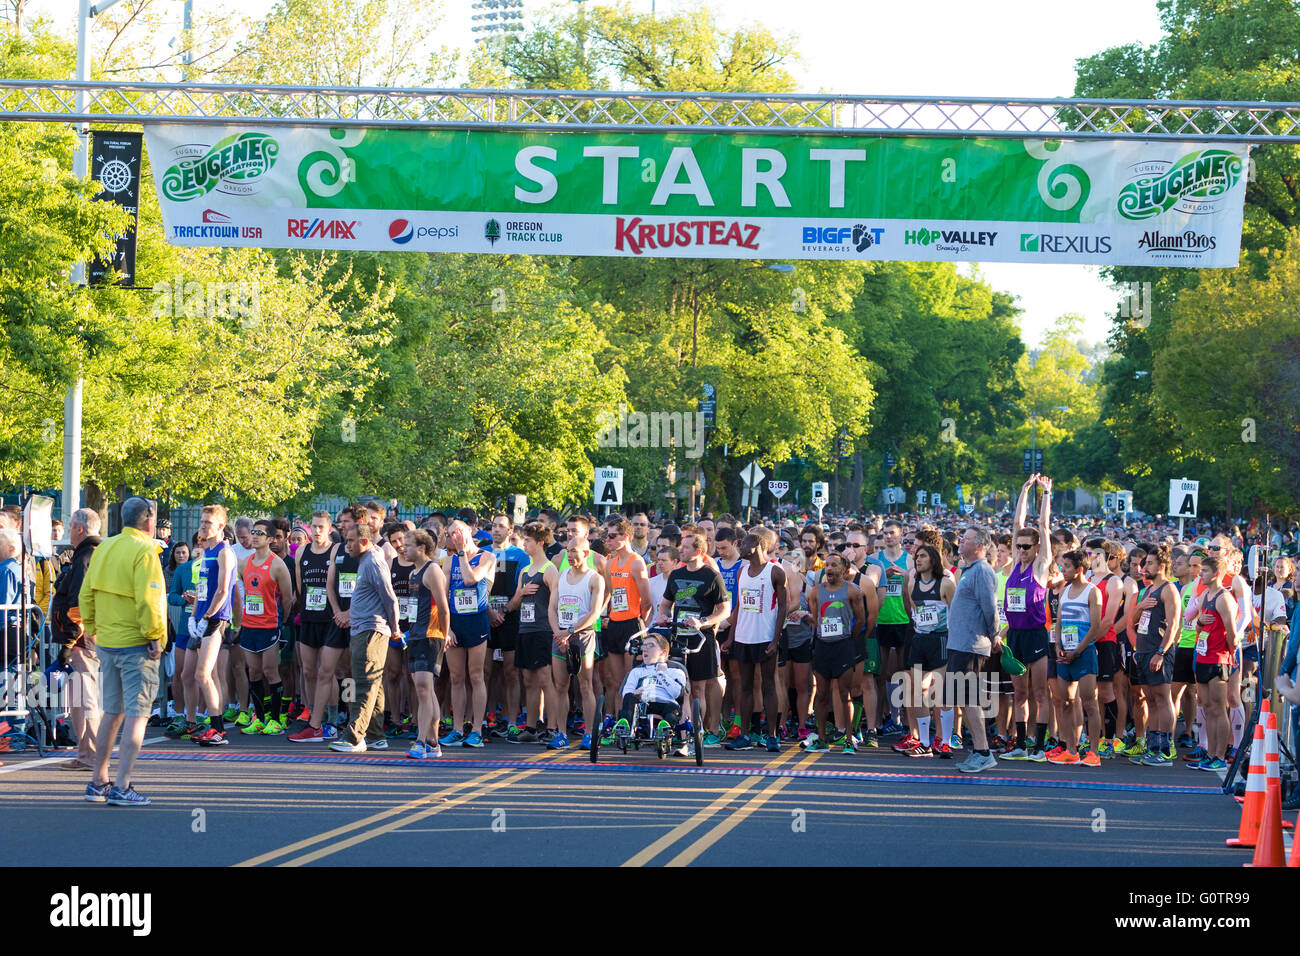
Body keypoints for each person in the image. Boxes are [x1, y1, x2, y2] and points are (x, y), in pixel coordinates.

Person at [79, 497, 166, 807]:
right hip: (136, 642)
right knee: (137, 714)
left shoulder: (105, 547)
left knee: (111, 712)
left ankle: (98, 780)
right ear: (148, 521)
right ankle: (122, 784)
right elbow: (149, 599)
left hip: (108, 640)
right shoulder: (145, 550)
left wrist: (91, 625)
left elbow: (85, 592)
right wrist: (154, 635)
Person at [328, 520, 402, 753]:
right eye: (346, 540)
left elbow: (390, 598)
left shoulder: (372, 562)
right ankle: (376, 735)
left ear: (365, 542)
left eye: (350, 541)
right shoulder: (368, 559)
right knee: (374, 684)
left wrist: (395, 628)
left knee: (365, 684)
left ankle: (354, 737)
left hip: (371, 631)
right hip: (364, 630)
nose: (346, 545)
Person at [1001, 475, 1054, 762]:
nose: (1020, 551)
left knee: (1039, 693)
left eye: (1025, 547)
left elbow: (1043, 526)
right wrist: (1023, 490)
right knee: (1019, 695)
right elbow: (1016, 525)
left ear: (1035, 549)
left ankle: (1040, 746)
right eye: (1018, 546)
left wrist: (1046, 494)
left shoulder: (1041, 567)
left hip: (1035, 634)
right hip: (1015, 636)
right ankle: (1021, 744)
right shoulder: (1014, 567)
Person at [722, 530, 788, 753]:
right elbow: (739, 605)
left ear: (757, 545)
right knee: (745, 687)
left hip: (765, 637)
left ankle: (772, 735)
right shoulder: (742, 572)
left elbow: (783, 608)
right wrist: (731, 637)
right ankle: (745, 735)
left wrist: (775, 639)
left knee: (768, 685)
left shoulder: (775, 572)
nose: (739, 548)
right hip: (743, 637)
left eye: (744, 544)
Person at [49, 508, 103, 772]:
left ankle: (91, 755)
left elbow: (79, 604)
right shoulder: (88, 554)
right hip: (82, 638)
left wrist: (69, 643)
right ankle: (85, 753)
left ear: (81, 529)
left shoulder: (86, 557)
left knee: (87, 696)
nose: (68, 531)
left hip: (83, 639)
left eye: (71, 526)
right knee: (80, 697)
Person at [949, 527, 1002, 774]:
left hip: (972, 646)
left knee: (970, 699)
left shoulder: (981, 570)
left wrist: (994, 637)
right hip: (960, 644)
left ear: (980, 544)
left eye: (967, 538)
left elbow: (990, 609)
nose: (961, 541)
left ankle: (983, 752)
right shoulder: (968, 570)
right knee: (963, 699)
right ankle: (979, 750)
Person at [1124, 544, 1182, 766]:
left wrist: (1161, 652)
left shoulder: (1168, 589)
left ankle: (1166, 750)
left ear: (1162, 566)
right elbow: (1135, 621)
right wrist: (1140, 607)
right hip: (1144, 650)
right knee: (1150, 699)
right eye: (1144, 563)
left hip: (1159, 651)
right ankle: (1154, 747)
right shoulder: (1148, 590)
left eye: (1148, 563)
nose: (1143, 567)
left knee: (1162, 698)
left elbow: (1174, 625)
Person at [289, 511, 345, 743]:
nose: (317, 530)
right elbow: (300, 586)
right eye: (314, 526)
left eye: (321, 527)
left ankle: (330, 720)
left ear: (330, 528)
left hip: (330, 619)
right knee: (309, 671)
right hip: (309, 617)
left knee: (326, 671)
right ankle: (314, 715)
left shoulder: (336, 551)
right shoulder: (302, 551)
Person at [439, 520, 496, 748]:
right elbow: (443, 595)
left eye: (459, 531)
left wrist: (463, 554)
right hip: (455, 621)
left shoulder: (486, 557)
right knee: (456, 677)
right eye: (451, 533)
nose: (455, 536)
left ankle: (477, 729)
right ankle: (457, 728)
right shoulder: (449, 561)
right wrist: (447, 628)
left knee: (476, 675)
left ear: (470, 532)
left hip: (477, 620)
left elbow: (471, 579)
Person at [237, 519, 295, 736]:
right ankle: (260, 719)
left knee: (271, 671)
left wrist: (281, 620)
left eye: (260, 533)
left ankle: (276, 719)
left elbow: (287, 599)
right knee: (253, 671)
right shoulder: (244, 562)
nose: (254, 536)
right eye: (253, 532)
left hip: (270, 625)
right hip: (249, 625)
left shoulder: (277, 565)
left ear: (271, 539)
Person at [804, 553, 866, 753]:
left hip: (843, 646)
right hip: (822, 646)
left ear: (844, 570)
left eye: (834, 565)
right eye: (827, 565)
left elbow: (861, 620)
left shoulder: (852, 591)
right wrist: (804, 617)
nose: (829, 569)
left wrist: (849, 639)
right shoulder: (815, 592)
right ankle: (822, 739)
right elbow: (816, 620)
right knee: (821, 694)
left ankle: (849, 739)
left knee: (844, 693)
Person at [188, 505, 238, 747]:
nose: (203, 525)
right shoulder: (206, 551)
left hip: (217, 619)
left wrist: (207, 617)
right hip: (204, 618)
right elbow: (201, 586)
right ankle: (215, 727)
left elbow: (223, 589)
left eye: (208, 522)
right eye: (202, 521)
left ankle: (218, 729)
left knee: (202, 674)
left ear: (220, 526)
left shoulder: (224, 552)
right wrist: (193, 615)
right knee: (212, 675)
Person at [508, 522, 562, 744]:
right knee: (528, 679)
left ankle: (551, 727)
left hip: (543, 629)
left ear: (540, 543)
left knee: (544, 679)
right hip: (525, 629)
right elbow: (512, 606)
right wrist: (520, 593)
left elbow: (557, 602)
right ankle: (531, 726)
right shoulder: (523, 571)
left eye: (528, 540)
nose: (524, 544)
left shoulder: (549, 570)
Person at [1049, 548, 1103, 766]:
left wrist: (1078, 651)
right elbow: (1059, 621)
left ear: (1079, 569)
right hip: (1065, 652)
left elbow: (1096, 626)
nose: (1063, 570)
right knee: (1066, 702)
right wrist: (1058, 646)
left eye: (1067, 566)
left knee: (1090, 702)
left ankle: (1093, 752)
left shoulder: (1092, 591)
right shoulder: (1065, 591)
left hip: (1084, 652)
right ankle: (1071, 749)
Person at [404, 530, 450, 758]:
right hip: (414, 634)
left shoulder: (432, 570)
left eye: (408, 545)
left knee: (423, 688)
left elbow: (443, 606)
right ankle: (433, 742)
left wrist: (445, 633)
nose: (404, 548)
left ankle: (421, 741)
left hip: (431, 635)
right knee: (425, 690)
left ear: (422, 547)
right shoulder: (414, 572)